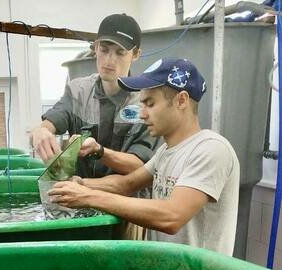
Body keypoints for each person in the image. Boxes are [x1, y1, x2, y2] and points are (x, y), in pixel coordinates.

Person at [48, 58, 240, 256]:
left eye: (150, 104)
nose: (142, 115)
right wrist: (79, 184)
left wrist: (88, 197)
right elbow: (126, 184)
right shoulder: (165, 152)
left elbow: (171, 217)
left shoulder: (210, 149)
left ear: (181, 101)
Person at [31, 13, 158, 180]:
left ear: (135, 54)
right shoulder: (78, 92)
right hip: (80, 200)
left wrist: (99, 151)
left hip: (127, 202)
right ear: (95, 48)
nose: (109, 60)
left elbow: (141, 165)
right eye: (104, 50)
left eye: (120, 53)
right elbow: (51, 122)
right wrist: (40, 131)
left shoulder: (146, 102)